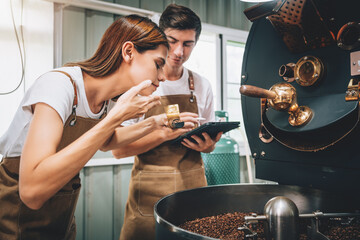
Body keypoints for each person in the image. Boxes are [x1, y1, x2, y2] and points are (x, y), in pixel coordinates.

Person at [0, 14, 188, 240]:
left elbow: (107, 141)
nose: (162, 76)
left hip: (61, 218)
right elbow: (32, 192)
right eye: (158, 64)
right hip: (16, 219)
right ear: (128, 52)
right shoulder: (59, 86)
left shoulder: (108, 100)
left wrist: (154, 124)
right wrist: (115, 117)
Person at [114, 4, 222, 240]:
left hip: (193, 191)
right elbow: (118, 150)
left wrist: (208, 146)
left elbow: (211, 144)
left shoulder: (202, 86)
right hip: (148, 196)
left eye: (187, 44)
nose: (178, 51)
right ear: (160, 37)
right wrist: (163, 134)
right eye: (172, 41)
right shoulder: (142, 85)